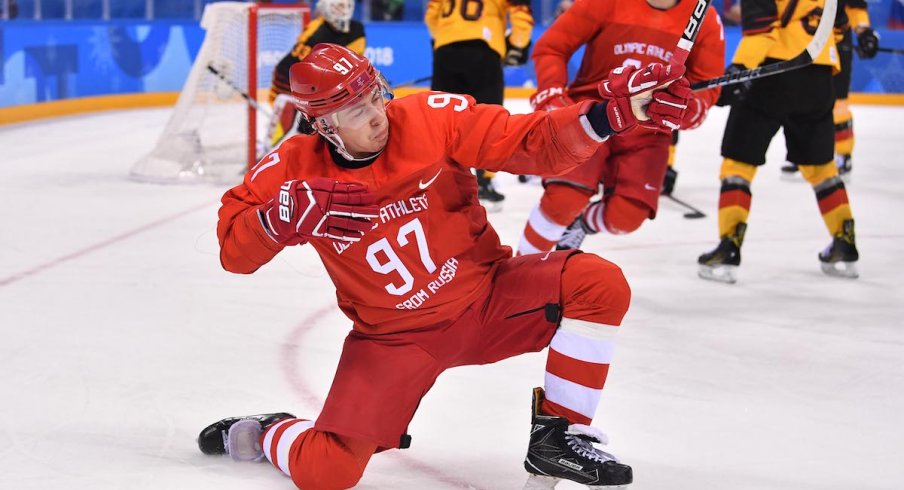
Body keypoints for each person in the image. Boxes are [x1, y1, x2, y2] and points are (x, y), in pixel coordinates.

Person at [199, 43, 692, 489]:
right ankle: (269, 433)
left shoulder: (431, 116)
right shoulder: (291, 168)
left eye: (376, 96)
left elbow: (530, 142)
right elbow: (232, 251)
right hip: (393, 339)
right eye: (356, 110)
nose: (378, 116)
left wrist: (611, 114)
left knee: (598, 283)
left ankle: (559, 439)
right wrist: (275, 219)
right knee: (326, 473)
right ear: (323, 125)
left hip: (487, 298)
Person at [515, 0, 724, 255]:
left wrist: (685, 109)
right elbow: (551, 47)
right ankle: (518, 273)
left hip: (649, 130)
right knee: (563, 200)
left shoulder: (707, 19)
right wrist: (552, 95)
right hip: (593, 114)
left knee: (625, 217)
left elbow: (706, 88)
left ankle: (580, 224)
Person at [698, 0, 860, 284]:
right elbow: (840, 29)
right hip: (819, 77)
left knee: (739, 164)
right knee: (822, 169)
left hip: (773, 74)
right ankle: (844, 242)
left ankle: (729, 247)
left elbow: (761, 31)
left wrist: (739, 69)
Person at [424, 0, 534, 210]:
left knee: (442, 120)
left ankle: (439, 181)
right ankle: (485, 183)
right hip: (484, 50)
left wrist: (446, 37)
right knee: (488, 119)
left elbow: (431, 15)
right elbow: (522, 15)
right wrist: (517, 46)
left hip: (446, 52)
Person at [781, 0, 879, 181]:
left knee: (838, 100)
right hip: (800, 40)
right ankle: (799, 152)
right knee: (798, 99)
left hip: (836, 41)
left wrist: (863, 30)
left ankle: (843, 155)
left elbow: (854, 5)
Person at [265, 0, 366, 154]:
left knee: (322, 127)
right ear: (326, 9)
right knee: (296, 129)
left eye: (346, 6)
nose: (343, 11)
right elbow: (294, 64)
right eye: (338, 6)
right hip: (291, 81)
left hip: (319, 84)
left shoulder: (356, 30)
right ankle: (272, 154)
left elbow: (354, 63)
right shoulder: (317, 29)